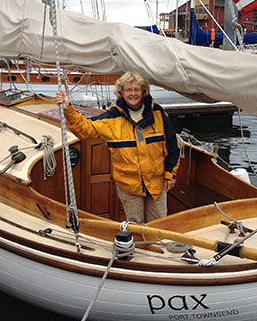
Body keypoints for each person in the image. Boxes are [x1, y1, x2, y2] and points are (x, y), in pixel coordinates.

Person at [56, 71, 180, 223]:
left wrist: (170, 174)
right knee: (136, 225)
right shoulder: (111, 118)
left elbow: (172, 146)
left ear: (143, 91)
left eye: (137, 90)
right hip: (129, 185)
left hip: (156, 183)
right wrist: (68, 108)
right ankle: (137, 246)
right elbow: (85, 129)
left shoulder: (158, 114)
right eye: (128, 90)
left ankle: (155, 245)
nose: (133, 94)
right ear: (121, 92)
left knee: (159, 224)